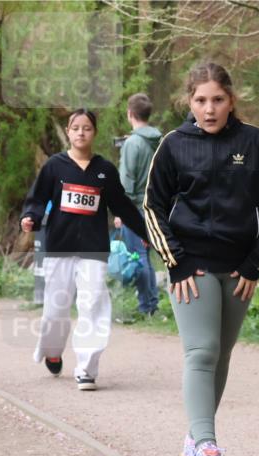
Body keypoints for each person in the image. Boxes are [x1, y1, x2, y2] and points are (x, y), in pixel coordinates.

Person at [143, 62, 259, 456]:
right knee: (202, 352)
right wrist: (177, 261)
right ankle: (206, 445)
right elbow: (152, 207)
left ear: (231, 100)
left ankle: (194, 443)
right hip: (193, 266)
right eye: (201, 100)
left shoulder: (254, 143)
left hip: (239, 270)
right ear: (189, 102)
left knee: (220, 355)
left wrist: (255, 263)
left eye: (218, 100)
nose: (209, 109)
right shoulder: (173, 145)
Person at [20, 108, 148, 391]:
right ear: (68, 132)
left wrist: (145, 233)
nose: (81, 132)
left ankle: (87, 369)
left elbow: (122, 205)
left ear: (94, 133)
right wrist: (30, 218)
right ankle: (53, 350)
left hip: (93, 249)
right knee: (56, 309)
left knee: (92, 305)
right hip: (59, 248)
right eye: (75, 128)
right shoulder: (55, 166)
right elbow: (37, 200)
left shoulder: (105, 170)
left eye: (87, 128)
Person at [113, 93, 163, 316]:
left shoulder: (132, 143)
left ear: (130, 113)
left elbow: (126, 182)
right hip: (155, 208)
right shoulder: (159, 141)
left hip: (135, 209)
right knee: (145, 256)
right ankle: (151, 304)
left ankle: (147, 307)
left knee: (137, 256)